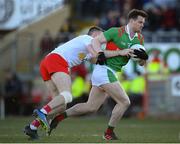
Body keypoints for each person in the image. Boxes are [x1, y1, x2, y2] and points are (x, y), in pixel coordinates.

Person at [47, 9, 148, 141]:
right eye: (140, 22)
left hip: (108, 72)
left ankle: (59, 117)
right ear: (132, 21)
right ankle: (108, 133)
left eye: (143, 23)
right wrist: (100, 53)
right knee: (124, 102)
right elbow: (95, 41)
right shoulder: (115, 32)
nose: (142, 25)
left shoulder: (139, 38)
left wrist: (142, 58)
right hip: (104, 70)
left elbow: (141, 63)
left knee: (91, 107)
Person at [24, 26, 133, 140]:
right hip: (57, 61)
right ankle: (42, 112)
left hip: (47, 62)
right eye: (101, 36)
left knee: (61, 106)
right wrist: (120, 52)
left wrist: (123, 56)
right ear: (95, 34)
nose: (103, 40)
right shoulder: (88, 39)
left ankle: (32, 127)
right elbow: (96, 54)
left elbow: (98, 59)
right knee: (67, 95)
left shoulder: (87, 46)